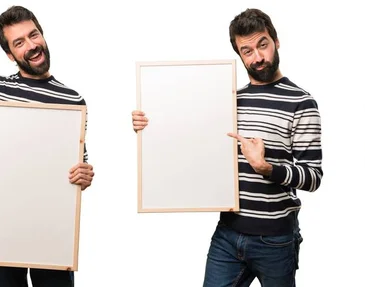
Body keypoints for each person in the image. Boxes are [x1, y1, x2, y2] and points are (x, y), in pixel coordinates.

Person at [132, 8, 322, 286]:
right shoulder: (230, 100)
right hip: (228, 234)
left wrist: (267, 168)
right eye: (247, 51)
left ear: (276, 41)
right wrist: (149, 127)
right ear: (239, 54)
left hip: (276, 240)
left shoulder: (302, 102)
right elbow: (190, 138)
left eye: (263, 45)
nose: (257, 57)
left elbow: (314, 177)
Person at [0, 5, 94, 287]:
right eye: (19, 42)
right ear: (10, 55)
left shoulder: (73, 100)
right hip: (1, 225)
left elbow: (78, 166)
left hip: (52, 229)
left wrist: (84, 174)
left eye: (33, 35)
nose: (31, 45)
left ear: (43, 35)